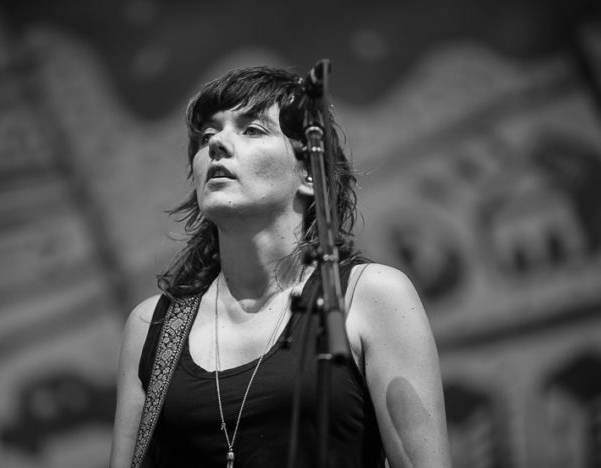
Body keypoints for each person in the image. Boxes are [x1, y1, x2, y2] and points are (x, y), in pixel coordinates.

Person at [110, 66, 451, 468]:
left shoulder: (371, 296)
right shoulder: (153, 325)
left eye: (252, 130)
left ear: (309, 173)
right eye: (206, 136)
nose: (217, 143)